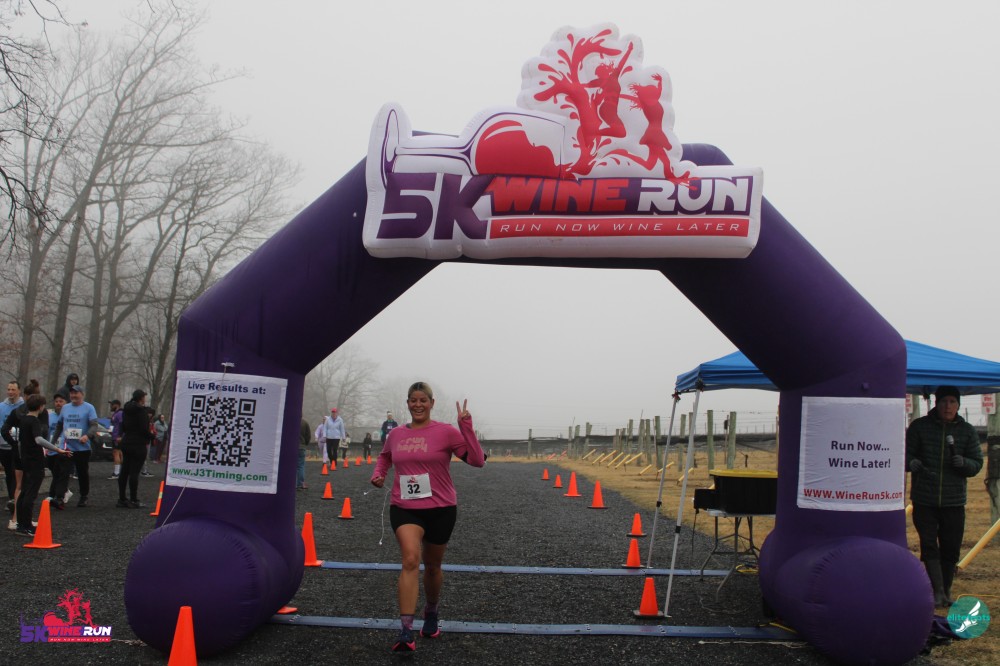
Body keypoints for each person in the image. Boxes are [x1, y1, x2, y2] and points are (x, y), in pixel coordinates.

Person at [370, 381, 486, 652]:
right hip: (405, 507)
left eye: (423, 400)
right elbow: (385, 457)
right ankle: (406, 630)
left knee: (432, 567)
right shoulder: (396, 434)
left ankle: (431, 611)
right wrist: (379, 473)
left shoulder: (446, 432)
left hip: (441, 508)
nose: (418, 405)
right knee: (411, 559)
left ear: (432, 404)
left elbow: (477, 460)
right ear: (407, 404)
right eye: (413, 400)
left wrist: (466, 426)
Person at [906, 385, 984, 608]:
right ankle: (937, 591)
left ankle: (947, 590)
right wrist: (911, 462)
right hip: (924, 499)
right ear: (936, 403)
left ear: (958, 405)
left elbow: (977, 463)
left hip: (954, 501)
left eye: (952, 402)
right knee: (929, 544)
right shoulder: (919, 427)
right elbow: (903, 454)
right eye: (943, 402)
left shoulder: (967, 431)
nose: (948, 406)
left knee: (951, 546)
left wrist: (964, 463)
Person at [15, 394, 72, 536]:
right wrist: (57, 449)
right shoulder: (34, 421)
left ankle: (20, 524)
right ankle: (27, 526)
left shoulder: (23, 420)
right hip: (35, 461)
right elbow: (39, 440)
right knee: (31, 494)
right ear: (41, 407)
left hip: (25, 460)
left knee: (24, 492)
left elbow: (20, 442)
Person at [52, 385, 98, 507]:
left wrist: (87, 436)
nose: (73, 396)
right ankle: (60, 497)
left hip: (82, 447)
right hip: (67, 447)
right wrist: (53, 442)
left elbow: (94, 425)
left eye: (76, 393)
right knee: (63, 472)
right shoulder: (65, 408)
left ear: (82, 394)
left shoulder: (89, 408)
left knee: (82, 472)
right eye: (72, 393)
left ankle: (84, 496)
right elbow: (59, 425)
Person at [118, 390, 153, 508]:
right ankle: (134, 499)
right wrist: (151, 436)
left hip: (126, 441)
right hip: (138, 444)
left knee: (124, 471)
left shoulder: (126, 410)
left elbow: (123, 426)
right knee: (134, 472)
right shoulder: (141, 411)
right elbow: (144, 429)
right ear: (141, 398)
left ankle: (122, 498)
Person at [0, 380, 25, 517]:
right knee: (9, 473)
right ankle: (12, 498)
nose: (10, 392)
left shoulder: (23, 406)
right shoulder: (1, 407)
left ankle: (14, 499)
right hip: (3, 444)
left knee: (15, 472)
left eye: (13, 389)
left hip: (17, 446)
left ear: (19, 391)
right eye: (8, 389)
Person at [45, 392, 73, 509]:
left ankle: (57, 495)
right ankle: (65, 490)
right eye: (56, 401)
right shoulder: (49, 416)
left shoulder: (69, 415)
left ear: (66, 403)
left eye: (61, 401)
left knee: (61, 471)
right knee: (54, 472)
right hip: (51, 447)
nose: (58, 403)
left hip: (63, 448)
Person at [108, 399, 123, 479]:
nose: (111, 406)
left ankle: (117, 473)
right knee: (119, 453)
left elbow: (122, 424)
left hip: (118, 437)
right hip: (115, 436)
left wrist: (120, 435)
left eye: (112, 405)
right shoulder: (115, 414)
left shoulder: (120, 413)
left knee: (116, 453)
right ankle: (121, 471)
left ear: (117, 405)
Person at [297, 417, 311, 490]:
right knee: (300, 466)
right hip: (301, 447)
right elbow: (308, 436)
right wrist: (305, 444)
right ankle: (300, 484)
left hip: (291, 447)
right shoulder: (304, 423)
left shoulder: (290, 422)